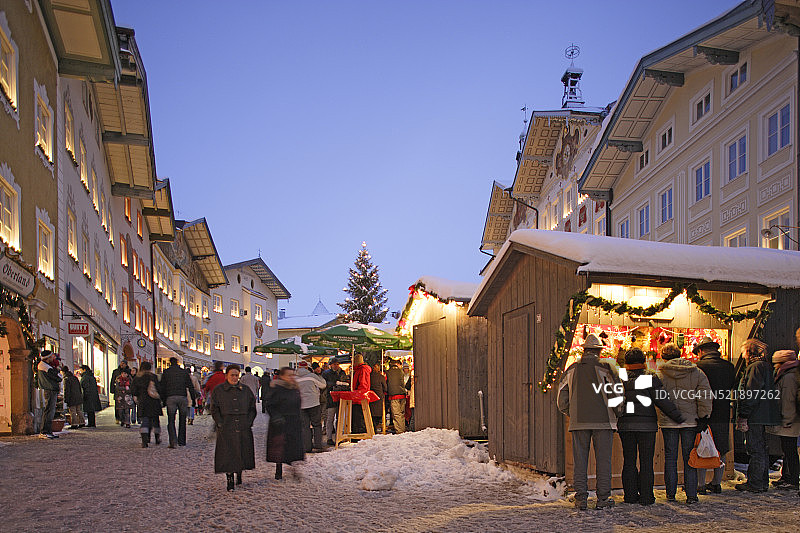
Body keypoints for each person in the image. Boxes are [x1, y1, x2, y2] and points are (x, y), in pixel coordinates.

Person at [557, 334, 621, 510]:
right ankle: (603, 499)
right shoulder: (607, 368)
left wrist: (572, 413)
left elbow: (561, 397)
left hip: (579, 422)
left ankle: (581, 499)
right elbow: (617, 394)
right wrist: (618, 413)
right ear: (599, 351)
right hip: (604, 421)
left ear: (584, 351)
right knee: (603, 462)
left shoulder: (572, 369)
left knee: (580, 461)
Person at [616, 348, 684, 505]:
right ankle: (647, 497)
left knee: (629, 461)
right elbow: (662, 400)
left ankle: (630, 496)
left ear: (626, 363)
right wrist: (677, 416)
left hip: (625, 425)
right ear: (644, 361)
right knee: (646, 462)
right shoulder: (649, 377)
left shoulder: (621, 377)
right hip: (647, 426)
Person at [657, 342, 712, 504]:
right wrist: (703, 417)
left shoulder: (660, 374)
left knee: (670, 458)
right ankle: (691, 495)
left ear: (663, 357)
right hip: (691, 421)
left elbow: (657, 399)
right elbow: (705, 397)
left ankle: (670, 494)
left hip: (668, 422)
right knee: (690, 458)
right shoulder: (697, 372)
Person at [735, 339, 781, 492]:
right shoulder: (765, 366)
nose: (742, 356)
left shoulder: (755, 367)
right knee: (761, 448)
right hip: (763, 413)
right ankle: (761, 482)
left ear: (749, 351)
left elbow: (751, 393)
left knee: (755, 449)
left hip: (756, 414)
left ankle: (755, 483)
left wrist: (744, 413)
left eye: (743, 352)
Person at [694, 336, 736, 494]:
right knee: (721, 448)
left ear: (701, 351)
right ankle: (717, 482)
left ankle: (701, 484)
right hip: (723, 411)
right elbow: (732, 385)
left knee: (701, 446)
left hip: (703, 412)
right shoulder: (729, 367)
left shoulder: (698, 367)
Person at [210, 364, 256, 491]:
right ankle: (229, 477)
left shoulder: (245, 390)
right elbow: (214, 409)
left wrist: (249, 421)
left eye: (237, 375)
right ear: (227, 376)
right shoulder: (219, 390)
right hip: (227, 425)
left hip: (242, 425)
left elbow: (252, 408)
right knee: (227, 453)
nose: (235, 378)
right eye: (232, 375)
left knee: (241, 450)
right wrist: (219, 422)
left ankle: (239, 472)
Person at [767, 349, 800, 490]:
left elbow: (787, 400)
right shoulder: (790, 374)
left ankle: (792, 479)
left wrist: (786, 419)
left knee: (790, 450)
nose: (774, 366)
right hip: (791, 419)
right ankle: (787, 477)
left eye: (776, 364)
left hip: (790, 420)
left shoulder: (788, 377)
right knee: (788, 450)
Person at [266, 367, 305, 480]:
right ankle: (279, 470)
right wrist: (276, 416)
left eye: (293, 375)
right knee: (281, 447)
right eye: (289, 375)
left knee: (294, 447)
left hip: (294, 421)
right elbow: (270, 405)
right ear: (282, 376)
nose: (292, 377)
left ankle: (293, 468)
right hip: (281, 422)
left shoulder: (295, 388)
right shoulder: (277, 388)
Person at [159, 357, 197, 448]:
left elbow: (162, 387)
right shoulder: (183, 372)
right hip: (182, 397)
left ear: (170, 363)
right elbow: (190, 387)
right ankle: (182, 441)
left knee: (171, 420)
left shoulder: (166, 372)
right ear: (178, 363)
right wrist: (193, 400)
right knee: (182, 420)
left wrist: (163, 401)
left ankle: (173, 441)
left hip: (170, 397)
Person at [295, 361, 327, 452]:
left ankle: (307, 447)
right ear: (307, 368)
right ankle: (318, 445)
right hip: (313, 403)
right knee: (316, 425)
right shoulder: (312, 376)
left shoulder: (294, 378)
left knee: (305, 426)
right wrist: (320, 377)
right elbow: (323, 385)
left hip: (301, 404)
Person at [131, 361, 163, 448]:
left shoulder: (137, 378)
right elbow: (159, 388)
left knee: (145, 420)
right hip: (153, 401)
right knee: (155, 420)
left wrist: (138, 396)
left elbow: (133, 391)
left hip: (143, 401)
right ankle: (157, 438)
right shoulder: (153, 377)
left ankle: (145, 440)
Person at [37, 351, 62, 439]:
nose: (53, 358)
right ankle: (44, 431)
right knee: (49, 411)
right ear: (47, 358)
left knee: (50, 411)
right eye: (51, 356)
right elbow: (59, 377)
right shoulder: (46, 367)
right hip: (50, 389)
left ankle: (47, 431)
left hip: (50, 389)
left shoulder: (45, 366)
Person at [322, 359, 348, 445]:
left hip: (340, 398)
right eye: (334, 364)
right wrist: (334, 384)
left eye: (337, 364)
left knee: (339, 419)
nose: (336, 366)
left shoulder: (342, 372)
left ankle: (338, 436)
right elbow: (324, 384)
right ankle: (329, 438)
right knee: (330, 419)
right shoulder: (326, 373)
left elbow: (345, 382)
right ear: (331, 365)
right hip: (330, 398)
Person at [351, 353, 372, 434]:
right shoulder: (360, 369)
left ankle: (359, 433)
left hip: (359, 397)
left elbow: (363, 384)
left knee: (358, 417)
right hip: (359, 396)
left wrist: (357, 393)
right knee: (358, 417)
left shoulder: (362, 369)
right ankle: (358, 432)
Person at [386, 359, 407, 434]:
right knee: (402, 413)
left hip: (393, 395)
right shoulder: (401, 371)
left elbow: (386, 384)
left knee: (396, 414)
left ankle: (400, 431)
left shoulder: (388, 372)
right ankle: (403, 429)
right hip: (402, 394)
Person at [109, 360, 130, 425]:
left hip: (126, 392)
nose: (122, 365)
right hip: (118, 392)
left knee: (126, 407)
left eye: (123, 364)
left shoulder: (129, 371)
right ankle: (118, 418)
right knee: (118, 406)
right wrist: (112, 389)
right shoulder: (116, 371)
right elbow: (112, 380)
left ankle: (125, 420)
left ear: (126, 364)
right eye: (121, 363)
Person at [369, 363, 387, 432]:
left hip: (370, 397)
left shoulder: (369, 376)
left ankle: (373, 428)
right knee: (378, 414)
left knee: (372, 414)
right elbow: (385, 388)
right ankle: (375, 427)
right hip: (379, 397)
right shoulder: (381, 377)